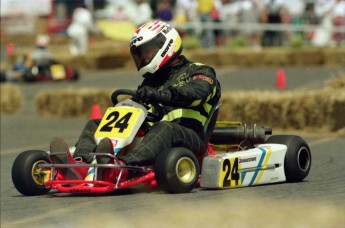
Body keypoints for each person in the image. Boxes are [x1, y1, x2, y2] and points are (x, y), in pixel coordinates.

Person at [49, 20, 221, 182]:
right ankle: (82, 165)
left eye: (147, 51)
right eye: (139, 54)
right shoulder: (151, 82)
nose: (143, 57)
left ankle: (121, 167)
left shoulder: (200, 71)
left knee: (165, 128)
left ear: (165, 44)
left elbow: (197, 93)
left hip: (190, 138)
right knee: (95, 124)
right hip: (153, 139)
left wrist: (162, 96)